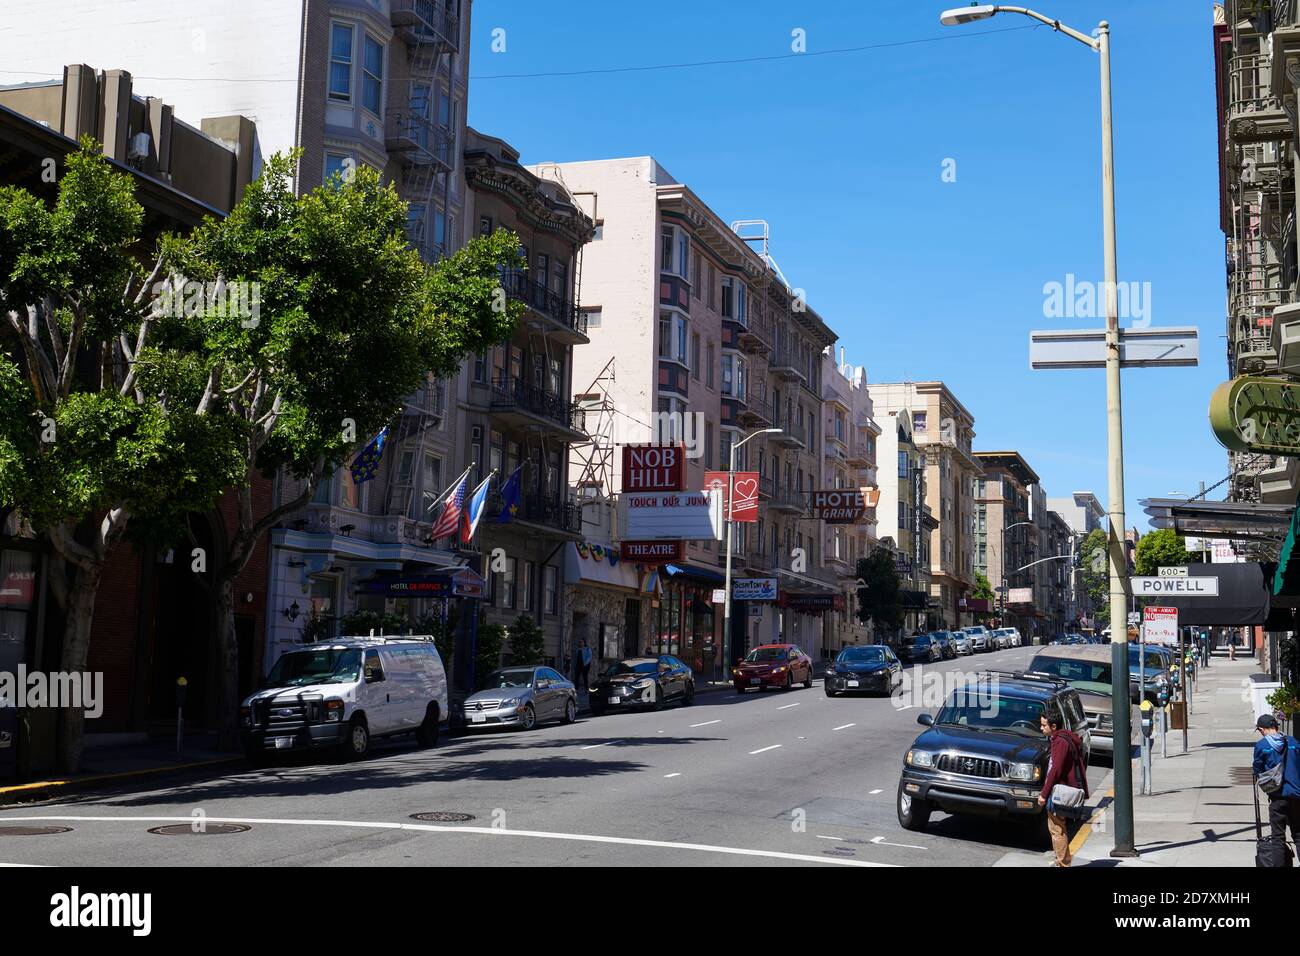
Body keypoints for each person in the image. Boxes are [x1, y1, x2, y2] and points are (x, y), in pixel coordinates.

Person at [1037, 708, 1089, 867]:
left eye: (1044, 725)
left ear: (1053, 727)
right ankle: (1062, 860)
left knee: (1056, 829)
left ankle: (1063, 863)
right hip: (1064, 789)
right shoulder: (1064, 737)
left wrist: (1044, 794)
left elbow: (1055, 770)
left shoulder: (1060, 742)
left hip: (1059, 791)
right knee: (1059, 827)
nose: (1041, 728)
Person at [1252, 714, 1300, 849]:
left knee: (1278, 838)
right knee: (1298, 834)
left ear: (1262, 729)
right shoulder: (1293, 742)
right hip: (1296, 795)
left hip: (1277, 796)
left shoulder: (1262, 745)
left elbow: (1257, 768)